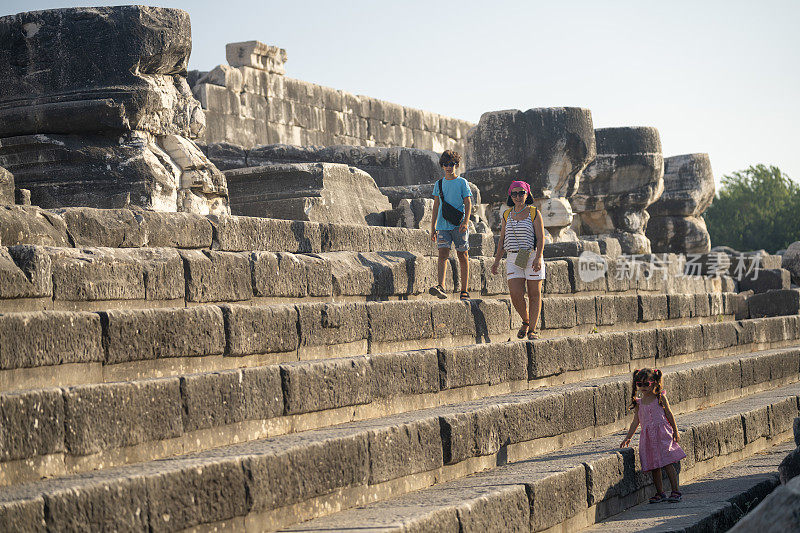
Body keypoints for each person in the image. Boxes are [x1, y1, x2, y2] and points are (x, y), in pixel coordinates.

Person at [620, 368, 686, 503]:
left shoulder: (660, 397)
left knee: (667, 463)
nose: (642, 387)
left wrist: (675, 430)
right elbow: (636, 421)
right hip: (648, 437)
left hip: (662, 434)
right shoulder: (639, 403)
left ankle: (675, 491)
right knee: (654, 466)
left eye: (646, 384)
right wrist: (628, 437)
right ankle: (660, 492)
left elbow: (669, 413)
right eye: (639, 384)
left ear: (654, 383)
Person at [490, 181, 544, 339]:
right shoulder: (507, 214)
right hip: (513, 257)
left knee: (534, 294)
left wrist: (539, 257)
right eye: (514, 193)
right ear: (510, 196)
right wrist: (497, 261)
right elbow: (502, 239)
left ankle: (532, 330)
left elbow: (541, 238)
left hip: (531, 255)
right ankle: (526, 321)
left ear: (527, 194)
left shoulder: (534, 212)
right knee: (515, 293)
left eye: (521, 193)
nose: (518, 196)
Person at [429, 150, 472, 301]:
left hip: (459, 225)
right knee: (442, 254)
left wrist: (466, 222)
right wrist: (432, 227)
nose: (449, 167)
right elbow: (436, 206)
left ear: (456, 165)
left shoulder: (462, 182)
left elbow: (468, 202)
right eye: (446, 164)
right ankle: (441, 286)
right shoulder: (438, 184)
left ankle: (464, 289)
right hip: (442, 225)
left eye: (452, 164)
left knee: (463, 255)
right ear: (442, 166)